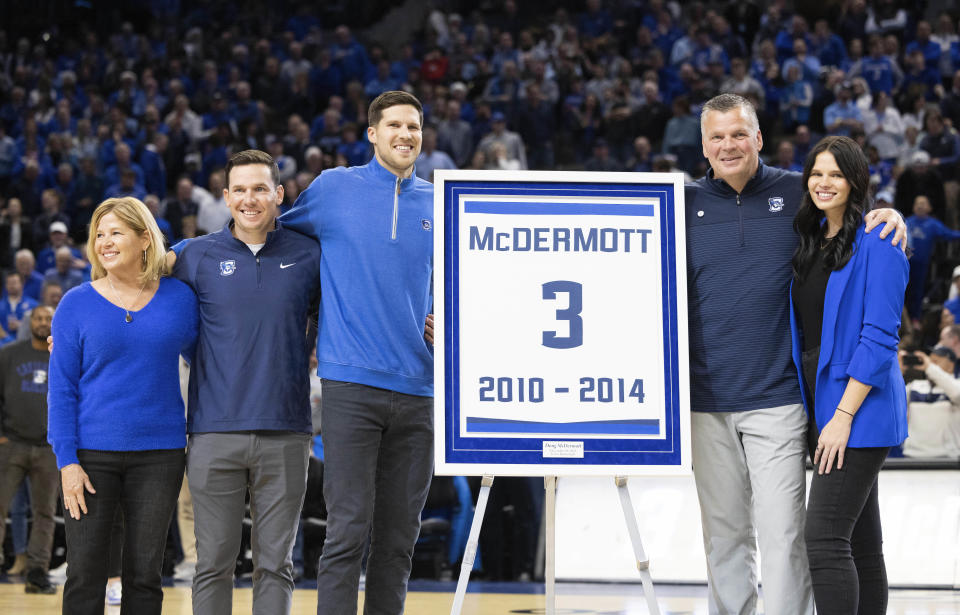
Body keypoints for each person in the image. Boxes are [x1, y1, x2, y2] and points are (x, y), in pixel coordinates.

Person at [684, 93, 905, 615]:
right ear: (703, 146)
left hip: (781, 399)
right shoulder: (679, 206)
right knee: (724, 539)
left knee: (790, 539)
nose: (728, 145)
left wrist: (890, 213)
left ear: (759, 138)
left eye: (739, 134)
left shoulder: (798, 195)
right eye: (717, 136)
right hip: (704, 401)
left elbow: (853, 215)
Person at [281, 90, 434, 615]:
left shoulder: (440, 204)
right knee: (347, 533)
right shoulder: (334, 189)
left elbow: (466, 283)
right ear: (372, 133)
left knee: (397, 542)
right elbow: (273, 240)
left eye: (413, 126)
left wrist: (450, 316)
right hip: (351, 386)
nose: (405, 135)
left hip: (421, 391)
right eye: (394, 125)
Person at [171, 149, 321, 615]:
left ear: (279, 195)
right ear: (225, 196)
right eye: (240, 189)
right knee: (213, 563)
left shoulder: (310, 253)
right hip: (214, 430)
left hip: (287, 429)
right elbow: (134, 294)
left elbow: (359, 303)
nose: (249, 199)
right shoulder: (192, 256)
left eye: (260, 189)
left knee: (275, 565)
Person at [47, 197, 199, 615]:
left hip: (161, 454)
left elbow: (209, 359)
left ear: (145, 239)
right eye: (99, 235)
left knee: (145, 575)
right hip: (90, 456)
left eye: (116, 232)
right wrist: (67, 462)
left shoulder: (180, 299)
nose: (104, 242)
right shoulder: (75, 304)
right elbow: (61, 390)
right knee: (85, 573)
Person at [789, 135, 908, 614]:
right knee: (860, 543)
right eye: (817, 173)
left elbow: (879, 340)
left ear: (856, 180)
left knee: (823, 540)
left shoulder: (880, 242)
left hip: (859, 411)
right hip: (828, 409)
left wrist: (841, 417)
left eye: (836, 174)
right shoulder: (810, 240)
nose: (824, 183)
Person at [0, 306, 57, 593]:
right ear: (30, 322)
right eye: (39, 318)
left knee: (45, 513)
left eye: (49, 318)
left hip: (49, 447)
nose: (43, 322)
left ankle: (37, 573)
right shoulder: (9, 354)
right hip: (12, 444)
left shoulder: (62, 354)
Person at [900, 346, 960, 458]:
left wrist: (930, 367)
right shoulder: (914, 386)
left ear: (951, 365)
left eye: (935, 362)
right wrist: (898, 371)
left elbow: (957, 394)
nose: (929, 365)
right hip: (912, 456)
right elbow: (893, 403)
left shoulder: (955, 386)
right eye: (929, 361)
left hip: (948, 458)